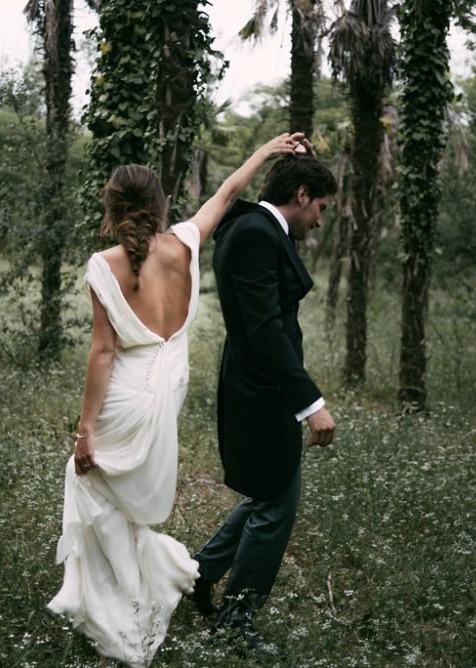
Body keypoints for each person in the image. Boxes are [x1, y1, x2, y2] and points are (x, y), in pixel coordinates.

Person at [47, 132, 306, 667]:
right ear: (162, 203)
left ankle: (124, 601)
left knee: (90, 483)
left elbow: (103, 352)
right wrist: (266, 151)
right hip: (169, 388)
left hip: (128, 392)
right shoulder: (185, 242)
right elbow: (230, 190)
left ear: (112, 207)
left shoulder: (105, 264)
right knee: (119, 497)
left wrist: (85, 430)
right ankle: (150, 580)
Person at [189, 149, 338, 652]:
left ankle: (201, 570)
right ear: (300, 196)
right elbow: (265, 330)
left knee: (269, 492)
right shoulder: (255, 233)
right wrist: (310, 402)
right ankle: (234, 622)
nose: (320, 219)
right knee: (276, 506)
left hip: (260, 385)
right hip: (262, 391)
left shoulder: (253, 225)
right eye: (319, 206)